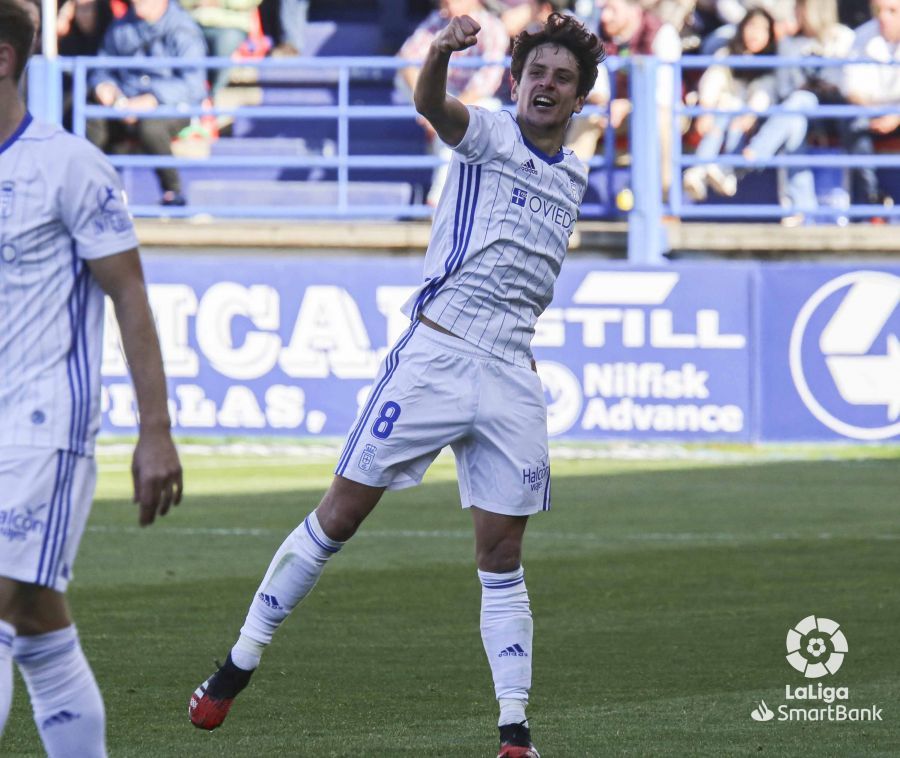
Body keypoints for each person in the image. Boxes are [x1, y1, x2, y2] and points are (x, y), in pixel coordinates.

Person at [188, 11, 604, 758]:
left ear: (578, 100)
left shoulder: (574, 175)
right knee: (339, 516)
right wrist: (442, 52)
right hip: (438, 354)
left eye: (562, 78)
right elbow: (431, 107)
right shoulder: (488, 133)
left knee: (502, 555)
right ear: (515, 82)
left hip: (512, 370)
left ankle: (515, 731)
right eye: (536, 72)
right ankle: (237, 664)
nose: (546, 84)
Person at [0, 1, 184, 755]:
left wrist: (156, 432)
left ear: (3, 60)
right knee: (37, 620)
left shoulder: (70, 164)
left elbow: (130, 293)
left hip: (43, 427)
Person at [87, 0, 207, 206]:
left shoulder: (183, 28)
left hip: (170, 107)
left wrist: (153, 99)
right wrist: (105, 86)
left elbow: (194, 85)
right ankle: (91, 190)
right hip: (123, 103)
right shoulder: (121, 26)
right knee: (92, 117)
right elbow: (102, 68)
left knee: (150, 127)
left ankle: (173, 192)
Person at [396, 0, 509, 205]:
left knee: (471, 117)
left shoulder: (493, 27)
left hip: (472, 101)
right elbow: (407, 58)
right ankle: (439, 202)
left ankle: (438, 201)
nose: (443, 5)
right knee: (402, 78)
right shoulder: (439, 19)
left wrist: (441, 111)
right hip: (438, 97)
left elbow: (486, 84)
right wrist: (427, 104)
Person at [567, 0, 680, 193]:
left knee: (661, 119)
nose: (605, 16)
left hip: (659, 110)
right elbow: (595, 86)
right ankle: (564, 200)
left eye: (612, 9)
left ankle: (663, 199)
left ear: (634, 8)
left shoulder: (663, 33)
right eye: (603, 9)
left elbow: (663, 95)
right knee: (586, 118)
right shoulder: (596, 32)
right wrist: (607, 105)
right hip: (611, 111)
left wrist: (627, 105)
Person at [682, 7, 777, 200]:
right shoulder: (727, 54)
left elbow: (765, 92)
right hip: (722, 115)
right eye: (751, 27)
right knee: (722, 115)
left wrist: (750, 113)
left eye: (762, 29)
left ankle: (724, 171)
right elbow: (713, 79)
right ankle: (701, 171)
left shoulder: (772, 62)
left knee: (734, 118)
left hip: (754, 122)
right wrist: (706, 109)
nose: (755, 34)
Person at [839, 0, 900, 210]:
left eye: (892, 11)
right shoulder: (861, 36)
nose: (883, 17)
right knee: (852, 123)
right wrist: (875, 113)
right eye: (878, 11)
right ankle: (873, 196)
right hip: (870, 113)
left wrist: (896, 115)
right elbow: (851, 88)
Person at [179, 0, 264, 96]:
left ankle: (211, 97)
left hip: (231, 25)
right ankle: (195, 97)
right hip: (193, 24)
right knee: (183, 44)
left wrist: (220, 2)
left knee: (226, 43)